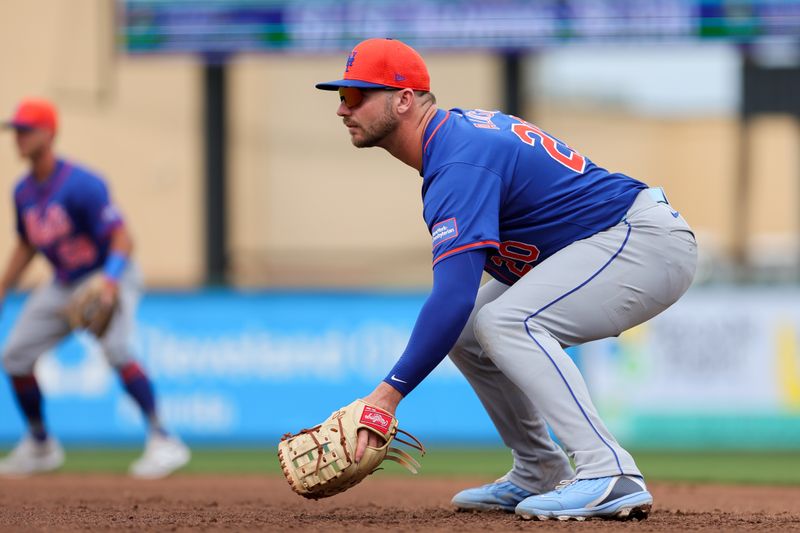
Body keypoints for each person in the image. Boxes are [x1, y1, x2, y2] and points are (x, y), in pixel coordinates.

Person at [315, 39, 697, 520]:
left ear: (404, 98)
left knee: (506, 321)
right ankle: (539, 467)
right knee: (473, 329)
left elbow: (450, 295)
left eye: (356, 96)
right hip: (606, 243)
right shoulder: (453, 143)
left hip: (640, 243)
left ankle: (609, 472)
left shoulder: (458, 161)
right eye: (342, 95)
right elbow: (458, 309)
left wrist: (385, 397)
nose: (342, 108)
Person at [0, 98, 190, 479]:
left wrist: (110, 281)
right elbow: (27, 245)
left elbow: (123, 238)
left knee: (117, 348)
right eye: (15, 131)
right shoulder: (22, 192)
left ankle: (164, 440)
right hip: (63, 281)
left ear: (49, 133)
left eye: (26, 130)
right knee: (15, 356)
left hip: (108, 271)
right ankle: (40, 445)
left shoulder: (81, 184)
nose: (18, 137)